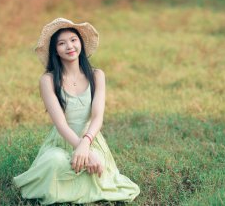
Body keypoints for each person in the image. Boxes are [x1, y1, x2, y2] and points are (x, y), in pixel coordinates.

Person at [13, 18, 140, 204]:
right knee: (55, 161)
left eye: (73, 40)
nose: (69, 46)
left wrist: (86, 146)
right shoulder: (48, 80)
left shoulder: (97, 75)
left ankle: (74, 184)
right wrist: (80, 148)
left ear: (80, 42)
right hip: (62, 141)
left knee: (96, 168)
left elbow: (97, 117)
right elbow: (61, 124)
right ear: (55, 50)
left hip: (91, 139)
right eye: (62, 43)